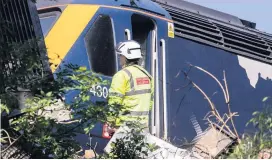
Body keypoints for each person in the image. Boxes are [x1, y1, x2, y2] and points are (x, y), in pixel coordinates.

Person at [104, 40, 154, 153]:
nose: (120, 58)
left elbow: (114, 102)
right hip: (142, 128)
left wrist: (110, 123)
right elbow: (150, 103)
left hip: (123, 128)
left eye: (121, 55)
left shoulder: (122, 75)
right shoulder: (147, 76)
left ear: (126, 57)